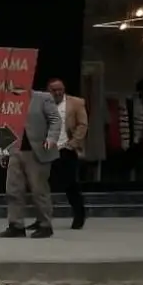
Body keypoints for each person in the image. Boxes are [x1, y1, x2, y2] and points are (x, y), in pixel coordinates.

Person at [0, 89, 63, 238]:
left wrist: (52, 139)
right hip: (15, 149)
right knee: (13, 189)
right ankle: (16, 225)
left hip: (37, 151)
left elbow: (55, 119)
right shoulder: (8, 100)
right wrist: (2, 150)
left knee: (39, 190)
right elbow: (4, 124)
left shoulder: (43, 98)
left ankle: (45, 224)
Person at [42, 78, 88, 230]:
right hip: (47, 148)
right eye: (54, 90)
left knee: (71, 184)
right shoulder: (43, 103)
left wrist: (73, 143)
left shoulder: (76, 103)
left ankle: (79, 215)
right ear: (48, 91)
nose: (57, 93)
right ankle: (42, 219)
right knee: (41, 186)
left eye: (60, 89)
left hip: (66, 148)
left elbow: (82, 124)